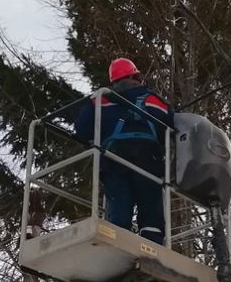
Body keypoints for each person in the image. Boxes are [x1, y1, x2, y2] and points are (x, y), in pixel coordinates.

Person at [74, 57, 173, 245]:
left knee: (119, 204)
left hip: (114, 159)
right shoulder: (153, 99)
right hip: (148, 159)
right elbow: (170, 125)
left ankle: (116, 242)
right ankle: (151, 243)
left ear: (113, 80)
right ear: (136, 76)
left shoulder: (99, 99)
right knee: (150, 204)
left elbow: (82, 128)